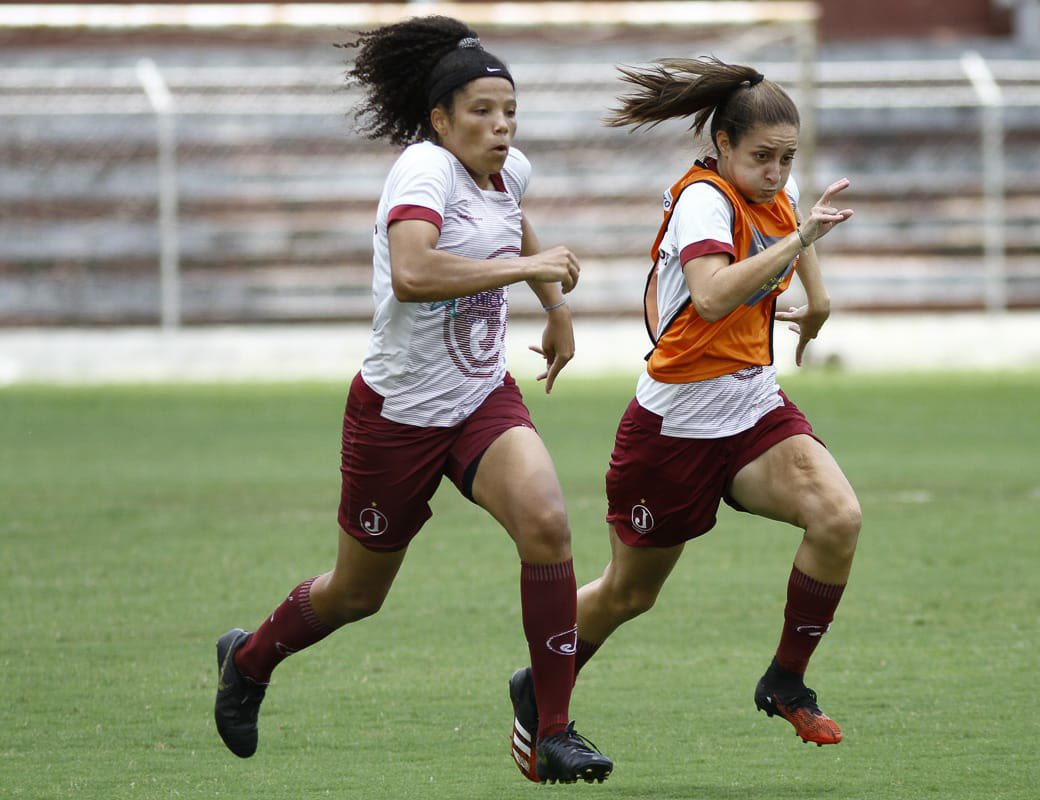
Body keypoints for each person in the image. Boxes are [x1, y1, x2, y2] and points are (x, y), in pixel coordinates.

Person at [213, 16, 612, 785]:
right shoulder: (422, 172)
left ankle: (552, 728)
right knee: (358, 594)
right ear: (440, 119)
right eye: (482, 114)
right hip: (397, 416)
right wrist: (529, 268)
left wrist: (555, 308)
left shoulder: (508, 168)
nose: (500, 129)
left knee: (549, 523)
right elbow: (414, 274)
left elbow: (512, 220)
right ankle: (250, 659)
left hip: (480, 402)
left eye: (509, 114)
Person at [508, 56, 862, 767]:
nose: (777, 170)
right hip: (674, 430)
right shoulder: (704, 200)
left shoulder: (778, 193)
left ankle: (786, 679)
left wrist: (815, 308)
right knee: (629, 595)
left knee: (838, 517)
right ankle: (539, 693)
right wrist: (801, 244)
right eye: (762, 156)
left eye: (787, 157)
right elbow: (709, 296)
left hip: (753, 408)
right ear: (723, 144)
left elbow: (801, 259)